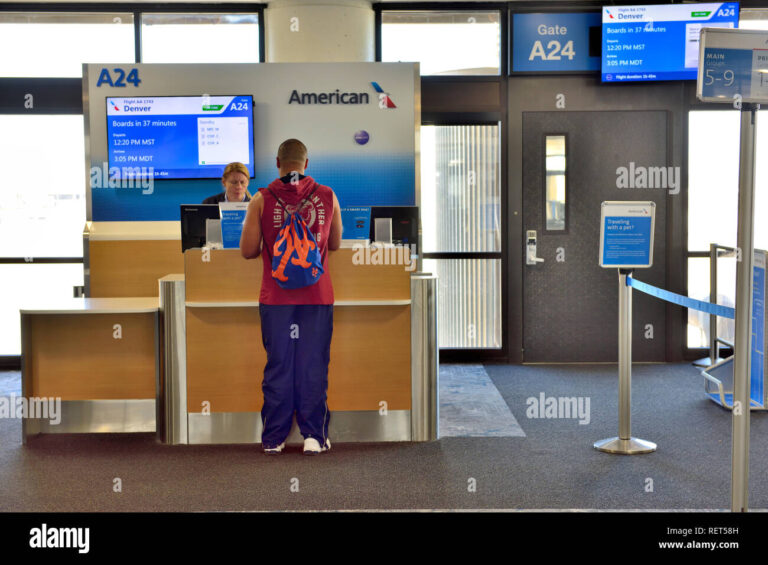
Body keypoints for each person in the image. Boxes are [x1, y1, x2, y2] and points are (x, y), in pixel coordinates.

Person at [240, 139, 343, 455]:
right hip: (317, 296)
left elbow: (247, 251)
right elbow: (336, 244)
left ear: (277, 163)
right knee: (314, 365)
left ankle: (274, 438)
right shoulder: (327, 196)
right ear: (306, 164)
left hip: (276, 299)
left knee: (279, 365)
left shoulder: (261, 198)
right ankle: (314, 437)